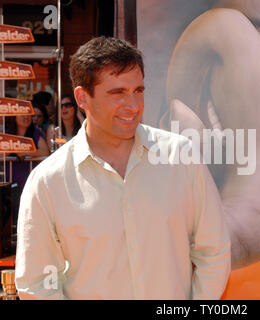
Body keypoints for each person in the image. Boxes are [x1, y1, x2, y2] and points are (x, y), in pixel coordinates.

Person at [15, 37, 231, 300]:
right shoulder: (48, 182)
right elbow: (37, 284)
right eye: (118, 93)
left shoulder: (181, 157)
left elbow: (214, 250)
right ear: (83, 98)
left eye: (138, 91)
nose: (134, 106)